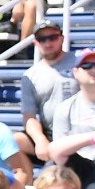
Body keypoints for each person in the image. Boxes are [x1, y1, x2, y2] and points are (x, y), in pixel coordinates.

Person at [19, 20, 76, 161]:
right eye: (42, 39)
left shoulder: (81, 61)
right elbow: (29, 117)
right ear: (35, 43)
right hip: (50, 132)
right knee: (14, 141)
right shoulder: (30, 76)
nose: (48, 43)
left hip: (79, 129)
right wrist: (39, 140)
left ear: (62, 38)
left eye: (52, 37)